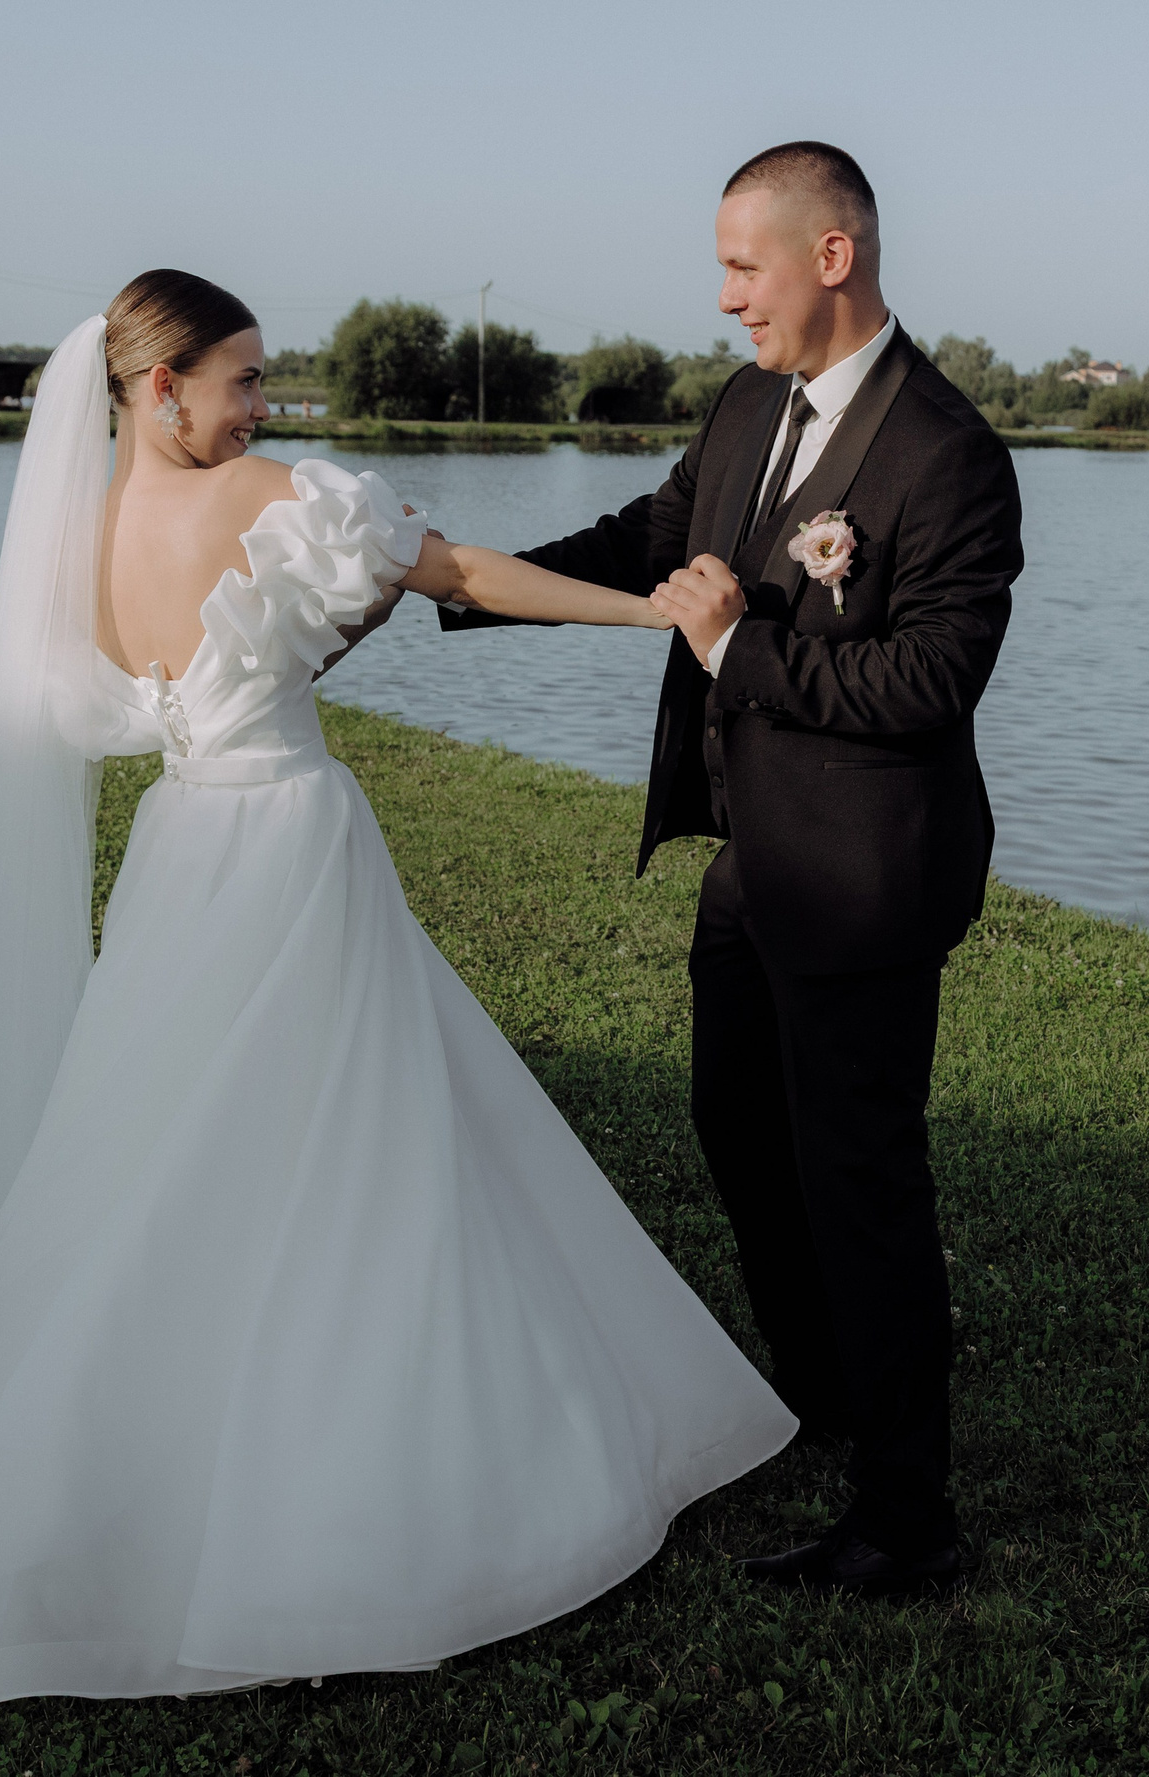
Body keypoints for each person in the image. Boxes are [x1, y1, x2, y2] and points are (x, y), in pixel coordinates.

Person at [0, 269, 795, 1712]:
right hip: (290, 843)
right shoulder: (274, 495)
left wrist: (337, 615)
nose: (264, 406)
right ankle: (371, 1457)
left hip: (181, 850)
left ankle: (143, 1411)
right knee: (357, 1134)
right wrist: (653, 615)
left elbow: (232, 668)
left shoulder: (78, 534)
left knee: (169, 1137)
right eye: (245, 379)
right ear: (163, 387)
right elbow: (461, 573)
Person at [439, 142, 1022, 1597]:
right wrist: (459, 579)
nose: (724, 298)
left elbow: (931, 680)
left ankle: (907, 1521)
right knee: (740, 1130)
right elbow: (653, 540)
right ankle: (825, 1397)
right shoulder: (749, 403)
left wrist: (735, 647)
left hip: (869, 875)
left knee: (859, 1177)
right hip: (757, 861)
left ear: (833, 256)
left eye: (742, 267)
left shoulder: (947, 452)